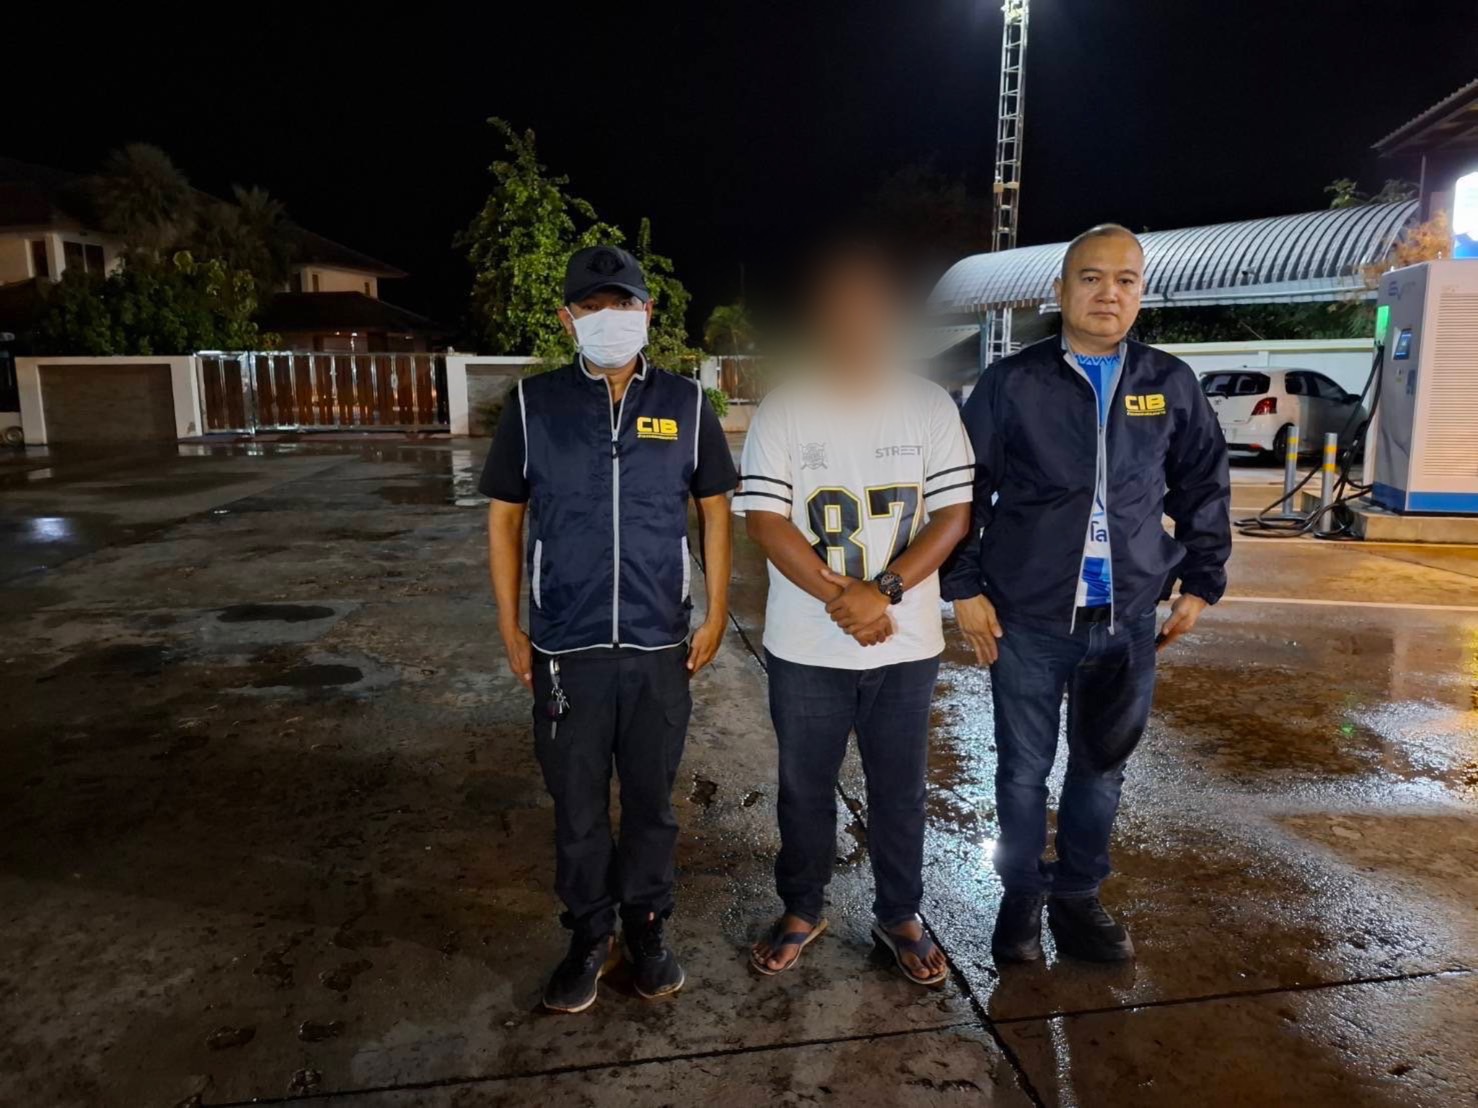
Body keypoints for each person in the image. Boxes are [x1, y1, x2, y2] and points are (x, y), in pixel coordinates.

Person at [941, 224, 1230, 964]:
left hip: (1127, 620)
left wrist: (1200, 581)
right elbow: (964, 489)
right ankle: (1019, 897)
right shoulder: (1012, 383)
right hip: (1029, 617)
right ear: (1061, 289)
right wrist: (964, 585)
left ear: (1141, 293)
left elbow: (1202, 483)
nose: (1109, 293)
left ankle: (1076, 896)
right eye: (1091, 277)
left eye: (1125, 280)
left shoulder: (1169, 382)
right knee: (1022, 771)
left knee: (1102, 768)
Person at [480, 245, 738, 1012]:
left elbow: (715, 511)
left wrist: (716, 610)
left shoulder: (688, 405)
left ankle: (647, 926)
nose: (608, 319)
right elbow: (505, 520)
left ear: (647, 312)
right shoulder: (533, 405)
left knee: (652, 805)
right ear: (568, 320)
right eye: (591, 308)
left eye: (621, 305)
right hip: (567, 647)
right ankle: (590, 932)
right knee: (579, 807)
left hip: (660, 647)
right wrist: (510, 624)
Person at [734, 245, 973, 986]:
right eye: (840, 308)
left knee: (900, 789)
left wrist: (885, 591)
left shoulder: (929, 405)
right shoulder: (786, 405)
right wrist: (847, 598)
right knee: (804, 788)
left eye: (870, 308)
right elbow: (766, 520)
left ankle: (900, 913)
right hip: (808, 644)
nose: (855, 322)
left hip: (905, 643)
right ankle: (802, 907)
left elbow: (953, 516)